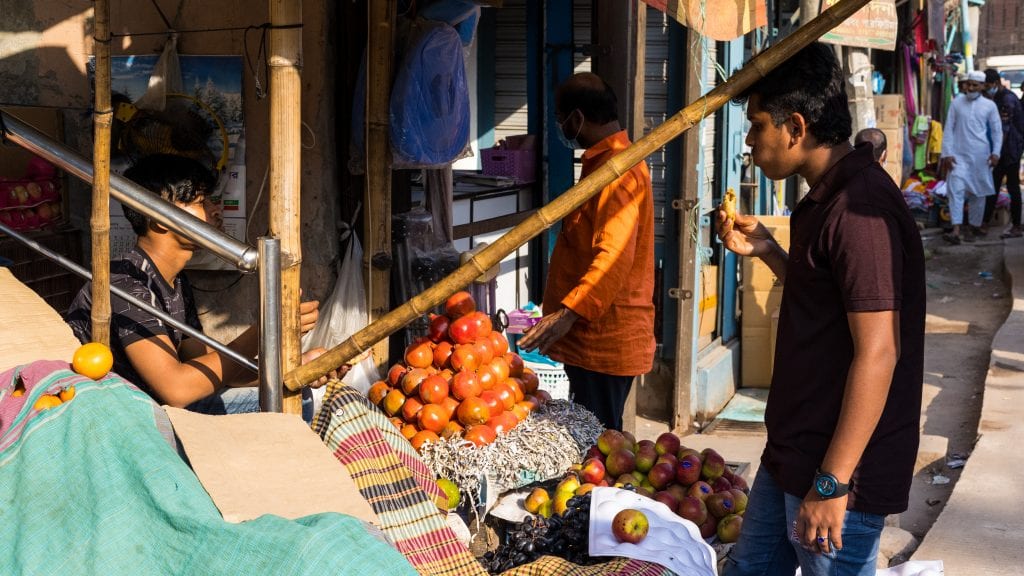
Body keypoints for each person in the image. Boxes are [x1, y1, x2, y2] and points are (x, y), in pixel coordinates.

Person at [717, 43, 926, 576]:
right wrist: (769, 250)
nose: (748, 141)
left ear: (796, 126)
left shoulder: (860, 209)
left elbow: (879, 353)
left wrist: (832, 482)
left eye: (757, 124)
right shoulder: (823, 197)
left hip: (838, 474)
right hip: (795, 450)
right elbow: (827, 301)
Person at [66, 155, 342, 414]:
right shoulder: (125, 282)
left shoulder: (174, 281)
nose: (215, 209)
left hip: (162, 409)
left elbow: (203, 371)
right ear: (160, 220)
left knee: (299, 389)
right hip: (131, 416)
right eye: (201, 201)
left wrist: (295, 368)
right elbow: (177, 389)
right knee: (299, 401)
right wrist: (266, 331)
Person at [517, 72, 655, 431]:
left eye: (561, 118)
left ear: (576, 118)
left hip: (604, 342)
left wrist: (567, 315)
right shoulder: (604, 164)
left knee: (598, 443)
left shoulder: (618, 171)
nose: (561, 126)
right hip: (592, 341)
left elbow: (612, 256)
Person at [940, 70, 1002, 244]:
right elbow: (948, 129)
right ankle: (956, 229)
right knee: (955, 190)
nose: (971, 88)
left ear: (982, 86)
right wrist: (947, 153)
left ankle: (974, 227)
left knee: (978, 193)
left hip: (981, 156)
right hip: (958, 156)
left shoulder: (990, 106)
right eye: (969, 84)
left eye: (975, 85)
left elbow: (997, 131)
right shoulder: (956, 103)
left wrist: (996, 153)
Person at [981, 68, 1024, 238]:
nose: (986, 89)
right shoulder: (996, 97)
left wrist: (996, 153)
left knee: (1012, 187)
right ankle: (984, 222)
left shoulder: (1007, 99)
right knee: (993, 186)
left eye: (988, 86)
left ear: (996, 84)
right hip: (1004, 150)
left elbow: (1003, 130)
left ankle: (1017, 225)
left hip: (1010, 150)